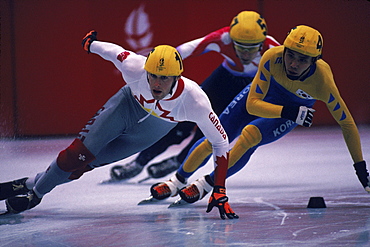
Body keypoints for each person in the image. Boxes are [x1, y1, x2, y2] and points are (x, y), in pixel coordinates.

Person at [0, 30, 238, 219]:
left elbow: (220, 143)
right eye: (152, 75)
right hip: (125, 106)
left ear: (177, 78)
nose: (156, 83)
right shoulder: (135, 66)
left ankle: (29, 183)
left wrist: (219, 188)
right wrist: (90, 44)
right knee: (77, 155)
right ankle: (35, 195)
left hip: (154, 128)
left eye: (164, 78)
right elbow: (114, 52)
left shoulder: (195, 100)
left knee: (84, 166)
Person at [148, 25, 369, 206]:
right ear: (283, 50)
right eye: (290, 55)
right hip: (267, 102)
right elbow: (253, 105)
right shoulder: (272, 57)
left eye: (302, 60)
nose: (293, 64)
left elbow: (347, 123)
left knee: (250, 136)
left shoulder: (322, 82)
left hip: (285, 113)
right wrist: (290, 111)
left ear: (315, 61)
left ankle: (205, 185)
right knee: (215, 137)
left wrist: (360, 167)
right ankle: (177, 181)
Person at [110, 10, 280, 181]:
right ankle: (139, 162)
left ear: (262, 43)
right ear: (231, 40)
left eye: (251, 49)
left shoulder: (274, 50)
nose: (245, 54)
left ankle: (179, 162)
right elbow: (184, 50)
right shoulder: (222, 38)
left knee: (211, 132)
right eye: (240, 47)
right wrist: (152, 67)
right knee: (181, 121)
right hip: (223, 80)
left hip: (251, 88)